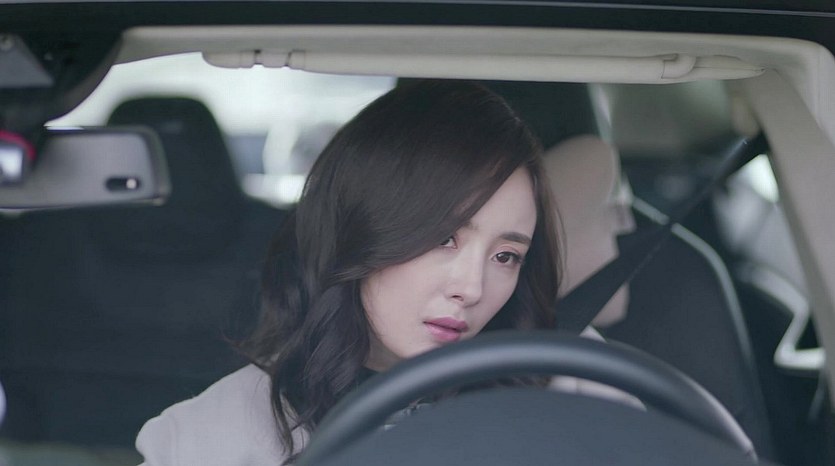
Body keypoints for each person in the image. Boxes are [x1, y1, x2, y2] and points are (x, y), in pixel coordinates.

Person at [136, 79, 577, 465]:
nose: (471, 288)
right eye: (444, 238)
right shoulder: (213, 437)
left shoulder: (573, 386)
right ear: (360, 229)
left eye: (506, 256)